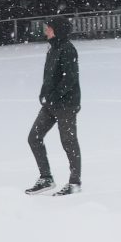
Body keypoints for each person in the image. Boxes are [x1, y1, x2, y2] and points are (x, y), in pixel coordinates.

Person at [25, 16, 82, 195]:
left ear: (57, 30)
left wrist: (55, 96)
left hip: (66, 104)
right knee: (34, 137)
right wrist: (44, 93)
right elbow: (50, 77)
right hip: (51, 104)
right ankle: (46, 178)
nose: (46, 31)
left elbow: (70, 79)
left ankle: (74, 183)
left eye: (48, 28)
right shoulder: (52, 49)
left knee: (68, 141)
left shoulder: (68, 50)